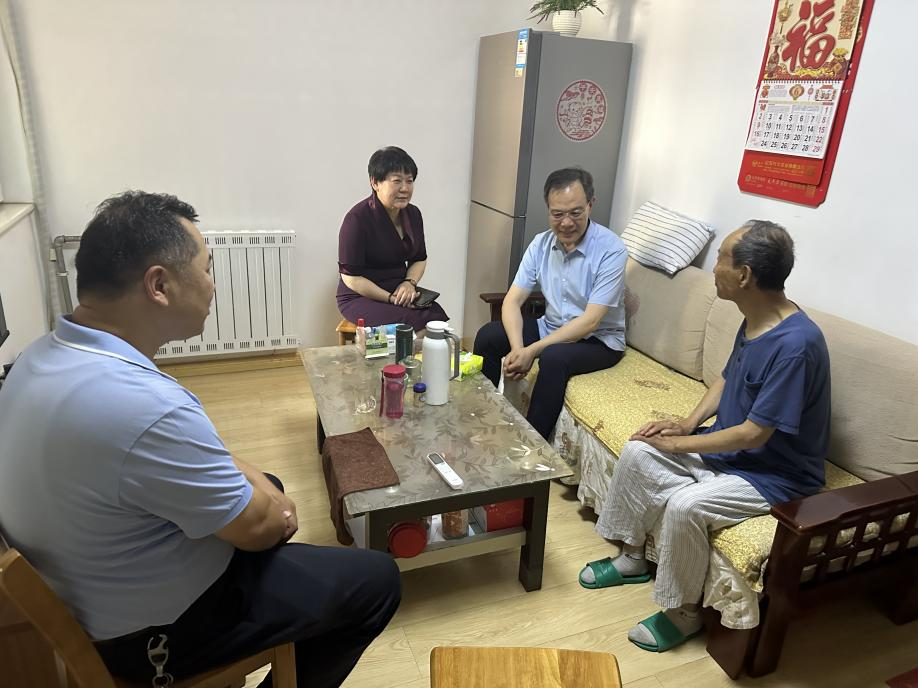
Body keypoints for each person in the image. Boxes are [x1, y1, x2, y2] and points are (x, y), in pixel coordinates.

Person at [0, 191, 400, 687]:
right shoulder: (145, 406)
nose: (213, 284)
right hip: (154, 639)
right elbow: (263, 528)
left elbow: (195, 459)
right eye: (206, 268)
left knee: (267, 486)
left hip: (92, 592)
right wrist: (274, 510)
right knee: (376, 581)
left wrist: (262, 495)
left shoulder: (36, 359)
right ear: (159, 285)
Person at [578, 221, 831, 653]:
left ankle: (684, 614)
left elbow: (754, 434)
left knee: (685, 505)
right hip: (732, 455)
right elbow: (727, 378)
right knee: (639, 450)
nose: (714, 267)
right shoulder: (755, 319)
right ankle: (633, 557)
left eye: (721, 258)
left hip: (775, 476)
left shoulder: (796, 345)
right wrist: (687, 423)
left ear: (744, 275)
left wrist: (681, 445)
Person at [473, 167, 628, 440]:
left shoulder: (611, 250)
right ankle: (485, 418)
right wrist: (519, 349)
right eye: (557, 214)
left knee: (553, 358)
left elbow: (590, 321)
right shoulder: (541, 244)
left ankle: (533, 446)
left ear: (591, 205)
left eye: (575, 213)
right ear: (548, 209)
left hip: (598, 340)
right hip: (552, 327)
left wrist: (532, 350)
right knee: (489, 336)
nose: (566, 223)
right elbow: (512, 301)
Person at [337, 146, 448, 332]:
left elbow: (419, 258)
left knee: (436, 319)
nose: (405, 188)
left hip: (399, 290)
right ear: (375, 182)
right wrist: (391, 298)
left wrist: (409, 283)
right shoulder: (356, 219)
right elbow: (351, 278)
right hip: (360, 296)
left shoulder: (413, 214)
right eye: (397, 181)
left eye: (409, 181)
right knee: (411, 323)